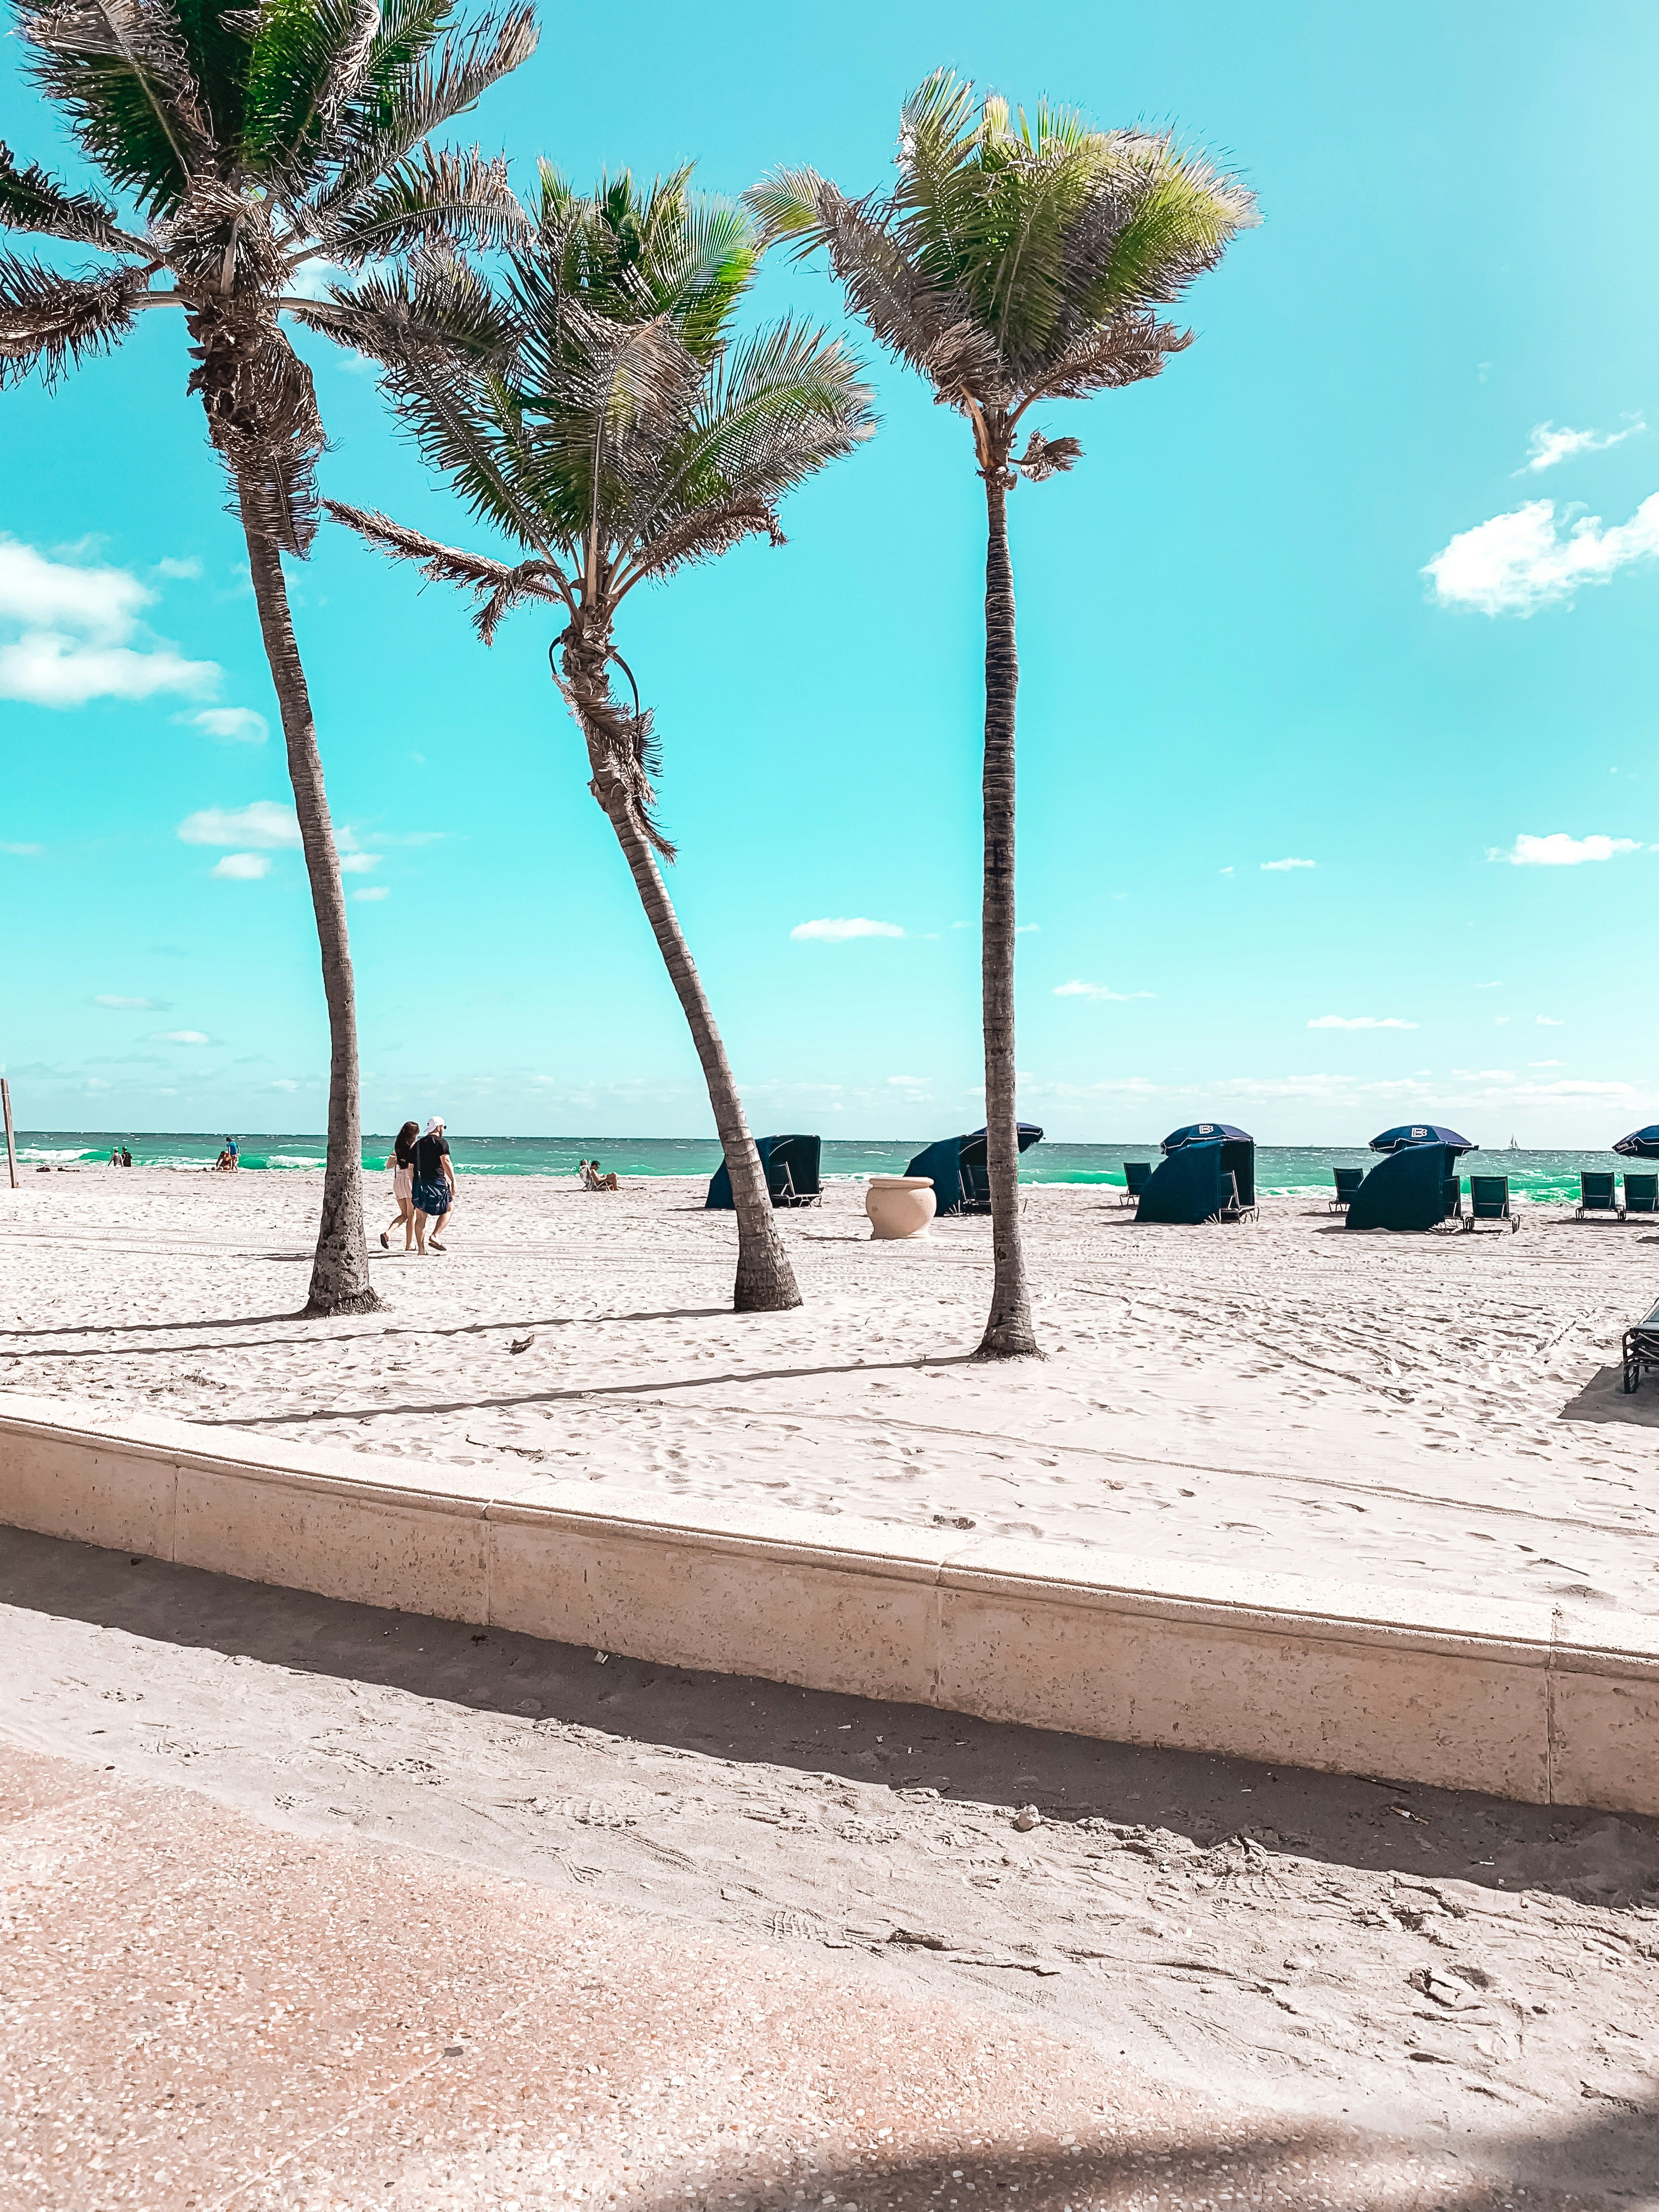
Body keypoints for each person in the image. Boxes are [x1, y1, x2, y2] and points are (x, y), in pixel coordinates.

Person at [410, 1115, 455, 1254]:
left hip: (420, 1181)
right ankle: (435, 1235)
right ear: (439, 1127)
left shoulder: (418, 1144)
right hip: (437, 1181)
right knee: (449, 1208)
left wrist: (414, 1184)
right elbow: (446, 1161)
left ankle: (421, 1250)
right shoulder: (441, 1143)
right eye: (444, 1127)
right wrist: (453, 1180)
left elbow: (411, 1167)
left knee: (421, 1217)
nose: (444, 1130)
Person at [381, 1120, 419, 1251]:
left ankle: (389, 1233)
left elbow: (389, 1165)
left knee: (404, 1214)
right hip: (409, 1181)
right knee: (412, 1215)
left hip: (398, 1181)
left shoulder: (398, 1146)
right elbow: (413, 1167)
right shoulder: (414, 1146)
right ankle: (409, 1245)